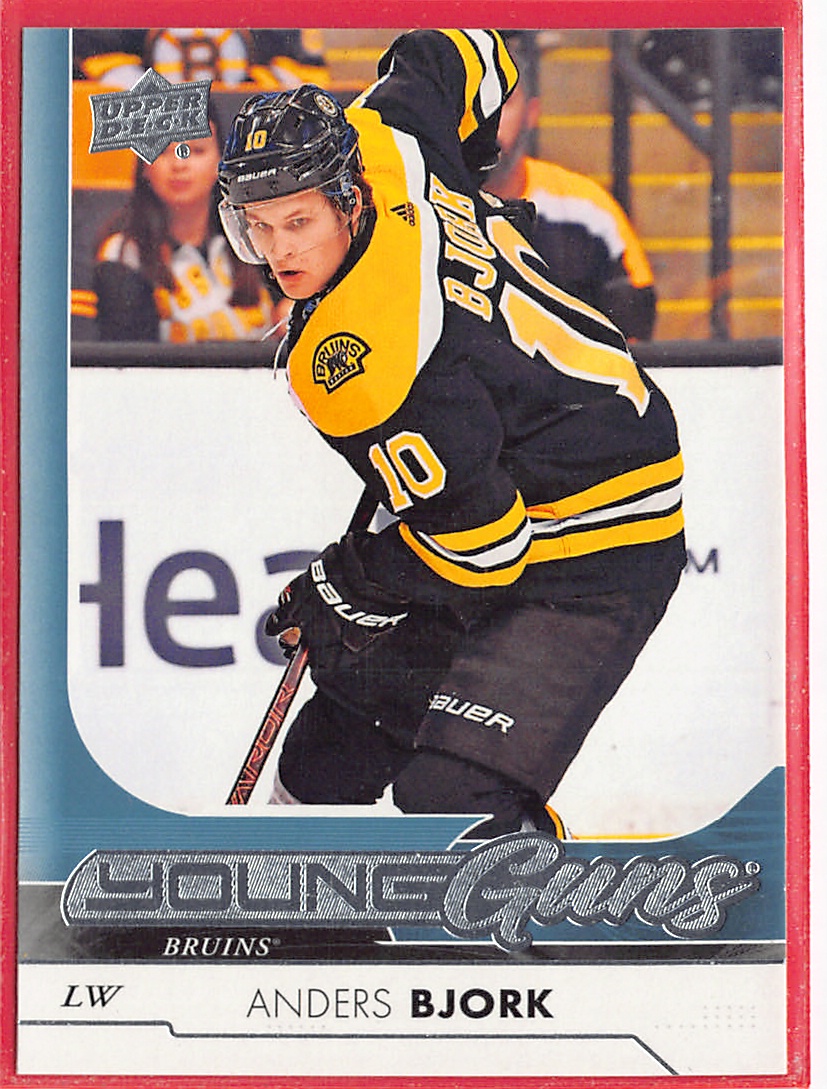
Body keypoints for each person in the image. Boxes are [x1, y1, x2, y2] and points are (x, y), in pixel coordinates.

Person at [217, 29, 686, 837]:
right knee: (335, 742)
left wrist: (352, 583)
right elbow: (460, 48)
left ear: (348, 199)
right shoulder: (387, 137)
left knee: (450, 797)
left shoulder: (359, 358)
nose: (279, 251)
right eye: (259, 226)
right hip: (531, 444)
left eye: (298, 220)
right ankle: (306, 896)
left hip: (598, 532)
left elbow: (484, 549)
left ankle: (537, 900)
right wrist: (458, 170)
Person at [484, 31, 657, 341]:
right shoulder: (421, 202)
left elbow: (633, 334)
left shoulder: (586, 210)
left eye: (503, 104)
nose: (487, 121)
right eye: (476, 105)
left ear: (531, 114)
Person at [94, 112, 283, 342]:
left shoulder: (256, 238)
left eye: (197, 150)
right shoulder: (122, 255)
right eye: (163, 150)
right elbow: (129, 358)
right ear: (144, 166)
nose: (179, 164)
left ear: (221, 163)